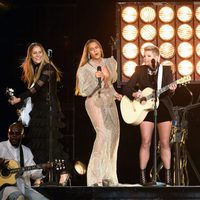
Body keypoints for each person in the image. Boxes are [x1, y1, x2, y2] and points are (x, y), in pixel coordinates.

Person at [8, 42, 69, 186]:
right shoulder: (34, 72)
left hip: (49, 110)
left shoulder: (48, 68)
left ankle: (64, 172)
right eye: (34, 53)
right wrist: (20, 105)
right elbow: (33, 96)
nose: (37, 55)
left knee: (51, 142)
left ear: (44, 54)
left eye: (40, 52)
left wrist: (19, 97)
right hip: (39, 111)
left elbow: (37, 88)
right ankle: (40, 176)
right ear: (30, 56)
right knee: (39, 144)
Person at [122, 45, 177, 185]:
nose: (145, 58)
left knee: (164, 143)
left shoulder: (165, 70)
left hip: (163, 107)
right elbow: (127, 87)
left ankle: (168, 178)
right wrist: (135, 93)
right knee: (146, 142)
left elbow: (169, 91)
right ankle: (143, 178)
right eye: (144, 56)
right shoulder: (140, 70)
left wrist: (171, 90)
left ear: (157, 57)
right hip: (145, 109)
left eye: (148, 56)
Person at [75, 39, 122, 186]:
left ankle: (108, 176)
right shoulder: (85, 69)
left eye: (97, 47)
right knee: (102, 135)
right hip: (94, 101)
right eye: (91, 49)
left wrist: (115, 93)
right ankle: (95, 178)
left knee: (113, 135)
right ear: (88, 53)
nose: (95, 50)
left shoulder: (109, 62)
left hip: (109, 100)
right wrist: (98, 80)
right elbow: (85, 91)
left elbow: (110, 83)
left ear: (101, 49)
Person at [0, 122, 49, 200]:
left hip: (23, 186)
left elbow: (33, 173)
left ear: (23, 135)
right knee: (19, 197)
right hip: (5, 187)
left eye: (17, 133)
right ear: (8, 135)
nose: (14, 136)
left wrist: (43, 171)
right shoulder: (1, 146)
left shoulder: (26, 151)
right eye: (11, 133)